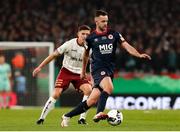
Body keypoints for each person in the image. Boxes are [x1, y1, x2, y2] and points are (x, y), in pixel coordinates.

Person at [61, 10, 151, 127]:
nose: (105, 23)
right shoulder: (91, 38)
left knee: (91, 101)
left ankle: (67, 116)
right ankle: (99, 113)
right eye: (103, 21)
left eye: (107, 21)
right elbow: (86, 55)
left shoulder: (114, 34)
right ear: (96, 21)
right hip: (98, 69)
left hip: (109, 70)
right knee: (109, 87)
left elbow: (126, 46)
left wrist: (138, 54)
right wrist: (83, 71)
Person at [33, 25, 92, 125]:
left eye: (87, 34)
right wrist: (40, 66)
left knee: (89, 90)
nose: (85, 36)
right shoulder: (69, 44)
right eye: (83, 34)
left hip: (79, 73)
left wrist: (89, 75)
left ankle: (82, 119)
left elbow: (93, 63)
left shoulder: (90, 47)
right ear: (78, 34)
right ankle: (41, 118)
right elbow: (54, 55)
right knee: (56, 94)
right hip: (66, 71)